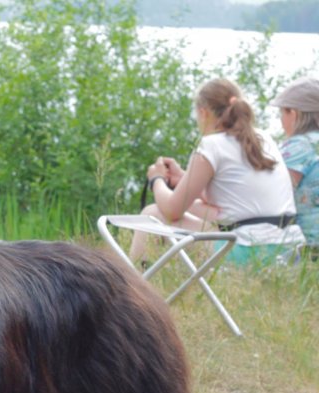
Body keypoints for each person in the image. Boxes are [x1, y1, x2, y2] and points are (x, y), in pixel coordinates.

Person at [130, 78, 304, 266]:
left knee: (152, 214)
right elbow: (231, 203)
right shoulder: (263, 139)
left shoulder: (212, 145)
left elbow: (172, 211)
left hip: (247, 253)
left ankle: (129, 288)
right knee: (199, 208)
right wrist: (183, 178)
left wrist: (156, 179)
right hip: (287, 250)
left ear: (203, 113)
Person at [272, 76, 319, 250]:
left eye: (282, 113)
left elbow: (273, 194)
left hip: (310, 248)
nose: (281, 122)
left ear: (293, 113)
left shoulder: (298, 147)